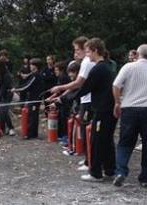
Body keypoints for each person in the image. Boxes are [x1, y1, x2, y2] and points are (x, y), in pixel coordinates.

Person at [57, 38, 117, 182]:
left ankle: (96, 173)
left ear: (96, 51)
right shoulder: (105, 67)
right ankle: (109, 170)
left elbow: (85, 88)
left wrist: (64, 98)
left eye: (89, 51)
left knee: (97, 140)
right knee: (106, 140)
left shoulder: (99, 69)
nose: (87, 55)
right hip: (107, 110)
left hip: (103, 110)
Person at [112, 44, 147, 188]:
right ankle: (145, 177)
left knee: (125, 142)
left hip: (130, 108)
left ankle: (121, 171)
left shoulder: (128, 67)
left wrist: (117, 102)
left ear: (137, 54)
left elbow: (116, 85)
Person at [48, 36, 96, 171]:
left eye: (77, 49)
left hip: (89, 101)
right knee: (84, 130)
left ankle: (90, 162)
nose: (75, 53)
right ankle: (88, 159)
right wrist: (62, 96)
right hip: (85, 100)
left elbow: (78, 83)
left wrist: (60, 89)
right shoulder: (84, 62)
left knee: (87, 131)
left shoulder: (87, 62)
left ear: (84, 49)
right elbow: (76, 86)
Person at [11, 58, 44, 139]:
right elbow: (26, 83)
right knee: (32, 115)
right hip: (32, 98)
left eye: (31, 64)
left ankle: (30, 134)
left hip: (35, 99)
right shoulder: (33, 74)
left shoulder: (36, 75)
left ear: (35, 66)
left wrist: (16, 89)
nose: (30, 66)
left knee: (32, 116)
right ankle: (32, 133)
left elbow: (27, 86)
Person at [0, 58, 16, 136]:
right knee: (1, 112)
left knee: (4, 111)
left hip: (7, 95)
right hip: (1, 95)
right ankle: (2, 128)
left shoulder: (6, 75)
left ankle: (11, 128)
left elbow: (3, 88)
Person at [52, 61, 71, 146]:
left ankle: (66, 136)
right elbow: (58, 90)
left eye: (56, 70)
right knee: (61, 118)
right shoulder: (60, 78)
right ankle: (62, 135)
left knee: (64, 118)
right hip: (60, 100)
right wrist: (51, 97)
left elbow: (65, 91)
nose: (55, 71)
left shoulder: (64, 78)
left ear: (61, 70)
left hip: (65, 101)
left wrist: (58, 99)